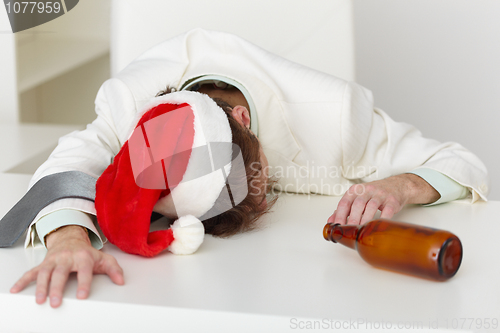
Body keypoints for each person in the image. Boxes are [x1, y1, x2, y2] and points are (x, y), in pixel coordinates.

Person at [7, 29, 488, 308]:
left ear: (243, 120)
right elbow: (70, 161)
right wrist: (68, 238)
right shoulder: (126, 106)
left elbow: (461, 162)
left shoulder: (333, 115)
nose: (258, 199)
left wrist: (402, 184)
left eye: (250, 183)